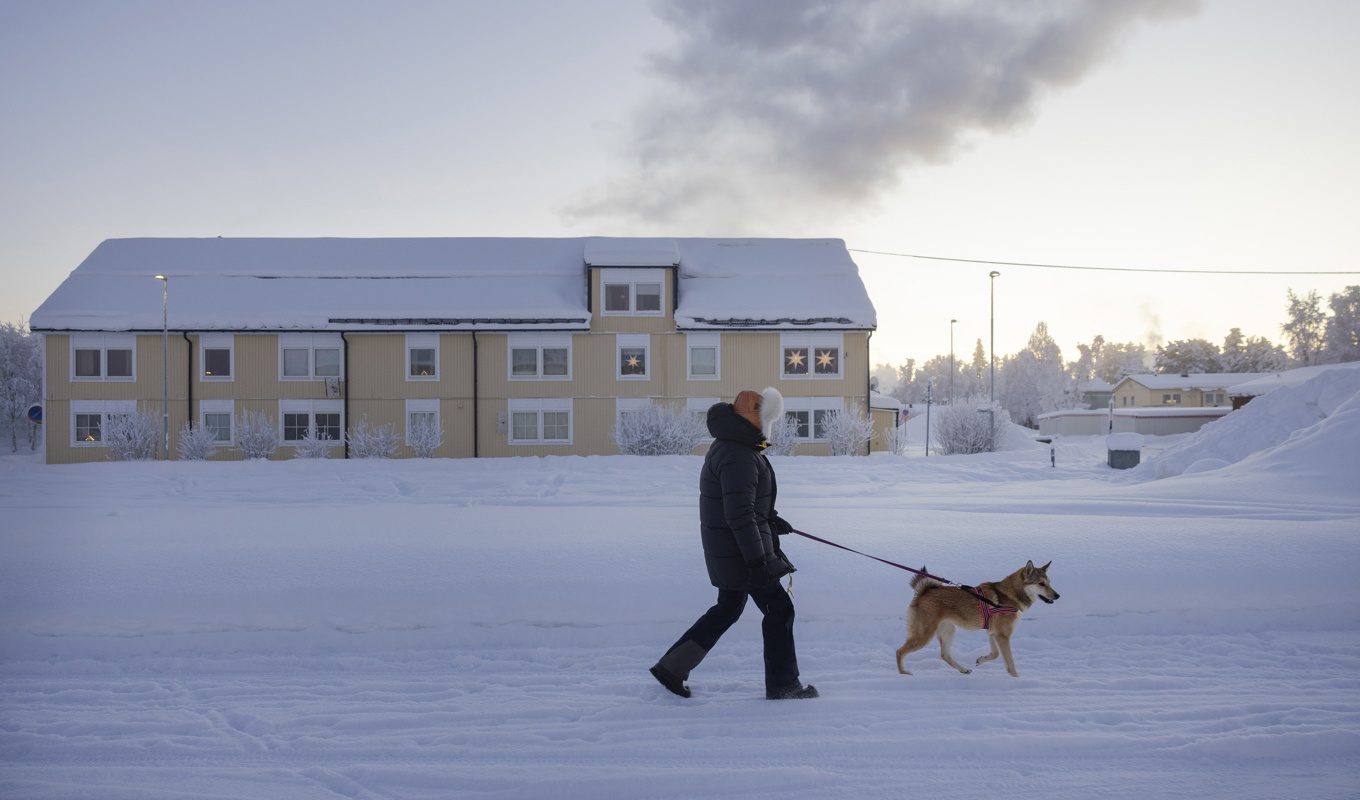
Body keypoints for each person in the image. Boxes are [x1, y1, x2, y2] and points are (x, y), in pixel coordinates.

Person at [650, 387, 818, 700]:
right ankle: (784, 685)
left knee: (727, 608)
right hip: (742, 554)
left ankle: (671, 667)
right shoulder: (738, 453)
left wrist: (771, 520)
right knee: (779, 609)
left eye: (760, 404)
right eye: (752, 406)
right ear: (737, 413)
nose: (760, 408)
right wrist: (757, 562)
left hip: (733, 550)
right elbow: (739, 514)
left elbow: (746, 505)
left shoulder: (737, 447)